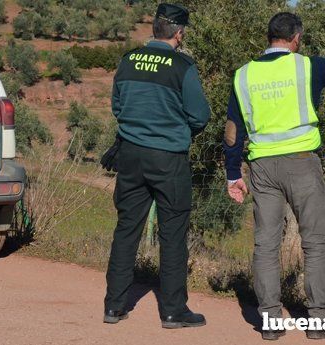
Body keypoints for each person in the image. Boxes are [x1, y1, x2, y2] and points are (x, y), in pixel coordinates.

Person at [223, 12, 325, 341]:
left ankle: (271, 323)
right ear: (296, 38)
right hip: (302, 163)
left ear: (268, 37)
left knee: (265, 244)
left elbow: (233, 130)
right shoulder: (306, 66)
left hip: (261, 167)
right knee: (315, 242)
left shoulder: (244, 75)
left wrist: (233, 173)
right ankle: (318, 321)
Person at [102, 3, 211, 328]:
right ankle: (173, 311)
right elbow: (200, 116)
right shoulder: (182, 66)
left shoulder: (128, 60)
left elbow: (118, 107)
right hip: (168, 158)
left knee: (126, 230)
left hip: (131, 155)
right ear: (179, 33)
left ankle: (114, 307)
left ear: (154, 29)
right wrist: (177, 132)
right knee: (173, 233)